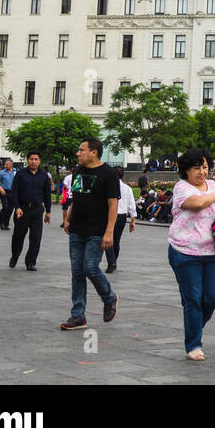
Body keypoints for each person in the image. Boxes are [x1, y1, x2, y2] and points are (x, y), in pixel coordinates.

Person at [168, 148, 215, 360]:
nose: (202, 172)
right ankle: (193, 344)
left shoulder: (213, 185)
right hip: (185, 253)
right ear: (185, 170)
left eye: (205, 167)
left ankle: (195, 327)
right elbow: (196, 204)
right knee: (193, 299)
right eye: (196, 168)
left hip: (213, 251)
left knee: (212, 297)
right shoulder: (181, 187)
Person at [60, 138, 120, 330]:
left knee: (90, 267)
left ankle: (109, 297)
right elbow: (76, 198)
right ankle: (78, 315)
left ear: (94, 152)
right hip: (77, 228)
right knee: (76, 272)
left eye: (81, 150)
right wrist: (68, 218)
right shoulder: (78, 170)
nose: (78, 153)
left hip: (97, 230)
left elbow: (113, 204)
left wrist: (109, 232)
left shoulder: (108, 174)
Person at [9, 151, 51, 271]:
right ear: (28, 160)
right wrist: (17, 207)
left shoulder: (44, 176)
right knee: (18, 236)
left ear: (40, 161)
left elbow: (47, 195)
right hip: (22, 209)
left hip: (37, 209)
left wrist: (48, 211)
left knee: (36, 237)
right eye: (31, 159)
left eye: (36, 159)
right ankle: (15, 256)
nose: (33, 161)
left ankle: (31, 262)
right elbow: (14, 192)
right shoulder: (21, 174)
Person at [105, 167, 136, 273]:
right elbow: (132, 204)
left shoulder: (108, 186)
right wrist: (133, 220)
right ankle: (114, 261)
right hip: (122, 216)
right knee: (116, 240)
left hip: (110, 215)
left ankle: (111, 261)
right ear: (122, 176)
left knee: (108, 237)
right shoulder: (127, 188)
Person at [0, 158, 16, 231]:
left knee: (10, 209)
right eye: (5, 164)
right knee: (5, 207)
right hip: (4, 192)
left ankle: (6, 223)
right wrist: (0, 188)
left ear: (11, 165)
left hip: (13, 193)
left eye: (7, 164)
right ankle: (2, 223)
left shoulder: (16, 172)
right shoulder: (2, 172)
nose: (5, 166)